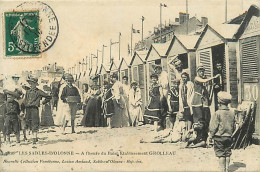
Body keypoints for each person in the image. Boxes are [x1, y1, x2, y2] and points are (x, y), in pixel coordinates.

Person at [209, 91, 235, 172]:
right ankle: (227, 169)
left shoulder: (218, 113)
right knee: (227, 153)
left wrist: (210, 135)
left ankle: (222, 170)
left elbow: (213, 126)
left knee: (221, 155)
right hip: (229, 136)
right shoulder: (232, 112)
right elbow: (234, 126)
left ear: (219, 102)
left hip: (219, 137)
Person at [22, 76, 51, 144]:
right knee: (28, 122)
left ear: (35, 84)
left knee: (35, 122)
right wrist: (22, 110)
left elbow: (48, 97)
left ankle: (34, 138)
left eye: (32, 83)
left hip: (34, 109)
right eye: (30, 83)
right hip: (27, 109)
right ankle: (29, 137)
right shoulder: (28, 91)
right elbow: (25, 101)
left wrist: (42, 102)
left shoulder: (38, 91)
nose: (31, 85)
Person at [154, 65, 169, 129]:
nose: (156, 71)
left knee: (164, 107)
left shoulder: (164, 74)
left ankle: (164, 124)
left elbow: (165, 84)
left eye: (156, 70)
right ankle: (162, 123)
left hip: (165, 92)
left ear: (159, 69)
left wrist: (160, 84)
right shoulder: (160, 75)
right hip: (161, 92)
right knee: (161, 107)